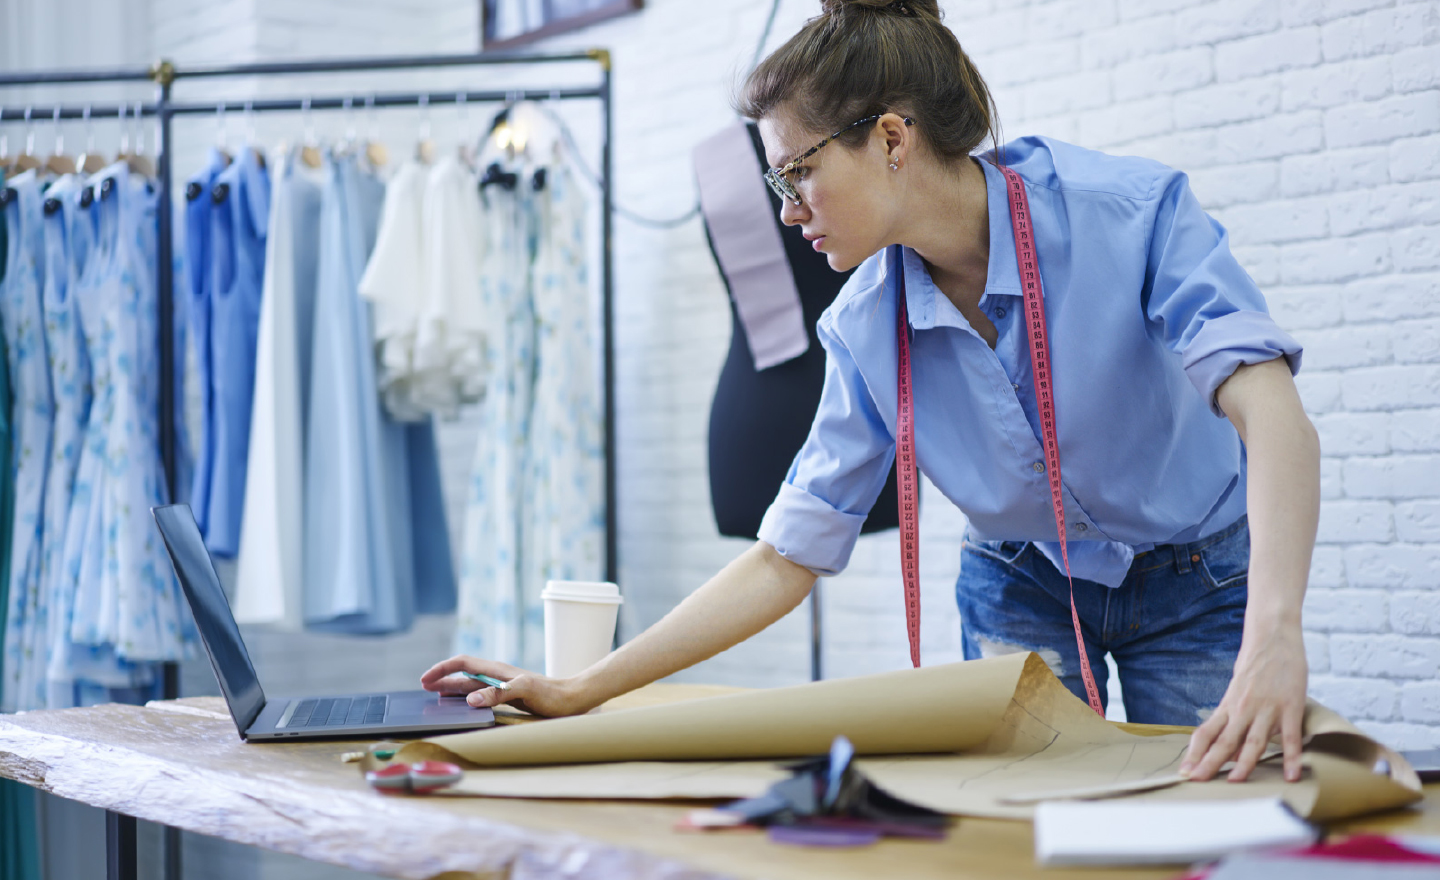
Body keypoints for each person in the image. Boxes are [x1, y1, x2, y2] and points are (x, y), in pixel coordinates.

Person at [422, 0, 1319, 786]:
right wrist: (581, 688)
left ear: (892, 139)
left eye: (798, 172)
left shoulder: (1130, 215)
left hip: (1200, 574)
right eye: (777, 183)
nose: (788, 209)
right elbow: (786, 557)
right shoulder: (863, 325)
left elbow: (1272, 411)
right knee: (1030, 827)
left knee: (1218, 810)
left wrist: (1277, 631)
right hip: (1020, 578)